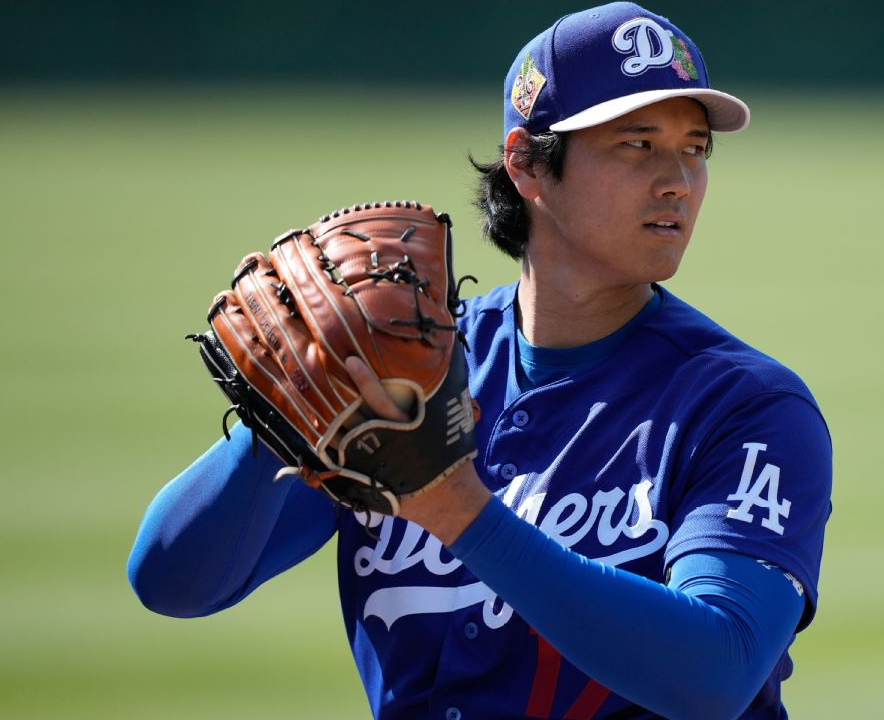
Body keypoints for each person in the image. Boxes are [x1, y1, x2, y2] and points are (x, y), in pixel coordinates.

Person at [127, 3, 833, 719]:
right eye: (637, 144)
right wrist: (283, 413)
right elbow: (172, 584)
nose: (678, 179)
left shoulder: (747, 408)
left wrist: (458, 512)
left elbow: (719, 670)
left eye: (696, 148)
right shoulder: (402, 372)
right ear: (527, 163)